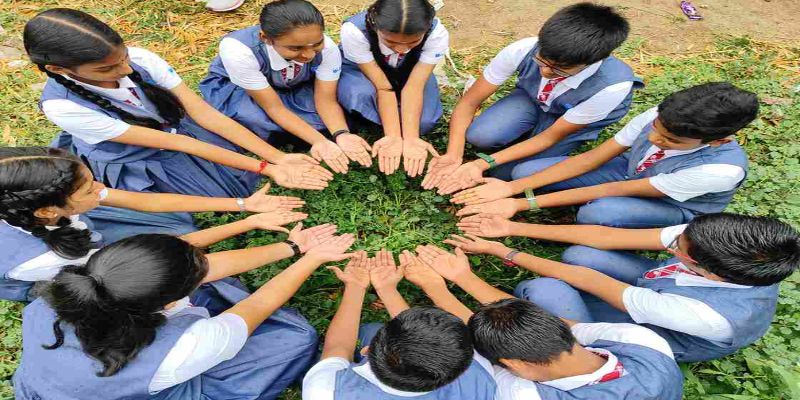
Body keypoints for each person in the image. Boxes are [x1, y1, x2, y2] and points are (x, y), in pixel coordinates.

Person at [25, 8, 333, 198]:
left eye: (125, 58)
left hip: (174, 129)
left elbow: (202, 112)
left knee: (239, 170)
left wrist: (277, 157)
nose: (126, 70)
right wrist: (267, 166)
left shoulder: (142, 58)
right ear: (58, 69)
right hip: (139, 151)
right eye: (107, 69)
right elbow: (181, 144)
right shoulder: (63, 107)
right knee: (224, 193)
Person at [14, 231, 355, 399]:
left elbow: (204, 270)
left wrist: (292, 247)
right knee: (293, 338)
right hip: (132, 385)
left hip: (53, 384)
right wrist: (312, 259)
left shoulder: (76, 286)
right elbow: (258, 307)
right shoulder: (184, 347)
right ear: (167, 303)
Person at [448, 213, 800, 362]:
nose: (672, 244)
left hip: (657, 332)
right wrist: (511, 226)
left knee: (544, 291)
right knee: (582, 254)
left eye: (678, 250)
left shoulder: (703, 314)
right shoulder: (710, 240)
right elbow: (606, 238)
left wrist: (499, 254)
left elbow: (587, 281)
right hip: (661, 290)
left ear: (711, 273)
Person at [0, 146, 309, 302]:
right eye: (89, 190)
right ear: (46, 211)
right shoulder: (41, 258)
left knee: (171, 230)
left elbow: (147, 202)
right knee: (186, 286)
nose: (101, 189)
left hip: (71, 238)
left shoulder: (44, 196)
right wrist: (290, 246)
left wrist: (243, 205)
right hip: (66, 276)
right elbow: (160, 264)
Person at [451, 82, 757, 228]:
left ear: (718, 141)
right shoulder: (660, 116)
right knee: (523, 173)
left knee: (599, 212)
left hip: (669, 205)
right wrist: (511, 187)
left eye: (670, 141)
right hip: (628, 170)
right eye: (656, 129)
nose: (654, 139)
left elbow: (611, 189)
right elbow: (592, 159)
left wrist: (519, 203)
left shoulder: (719, 171)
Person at [404, 247, 683, 399]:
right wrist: (463, 277)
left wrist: (436, 290)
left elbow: (469, 360)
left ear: (514, 365)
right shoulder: (643, 342)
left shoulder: (522, 394)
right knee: (546, 290)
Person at [426, 3, 641, 191]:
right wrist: (454, 154)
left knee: (507, 173)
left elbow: (549, 137)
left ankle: (563, 139)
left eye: (560, 69)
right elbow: (469, 102)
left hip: (570, 124)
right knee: (480, 136)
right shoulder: (523, 49)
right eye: (542, 60)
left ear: (594, 61)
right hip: (533, 99)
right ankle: (526, 126)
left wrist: (481, 164)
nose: (545, 72)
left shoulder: (611, 88)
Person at [200, 0, 373, 174]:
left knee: (329, 115)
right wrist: (319, 141)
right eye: (295, 48)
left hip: (294, 83)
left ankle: (296, 130)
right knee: (254, 118)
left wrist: (341, 133)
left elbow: (326, 100)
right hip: (245, 90)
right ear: (266, 39)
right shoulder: (239, 51)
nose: (309, 55)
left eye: (316, 44)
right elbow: (274, 107)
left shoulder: (327, 49)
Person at [302, 250, 497, 399]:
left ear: (367, 350)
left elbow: (337, 348)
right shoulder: (481, 378)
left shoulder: (327, 390)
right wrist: (387, 289)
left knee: (367, 330)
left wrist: (355, 286)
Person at [338, 0, 448, 177]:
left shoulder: (437, 34)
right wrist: (394, 136)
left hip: (409, 72)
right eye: (390, 41)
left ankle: (391, 117)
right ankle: (385, 117)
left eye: (413, 41)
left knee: (424, 123)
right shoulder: (354, 31)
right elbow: (383, 87)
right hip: (366, 72)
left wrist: (411, 138)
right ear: (375, 26)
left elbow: (414, 87)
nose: (402, 49)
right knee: (361, 94)